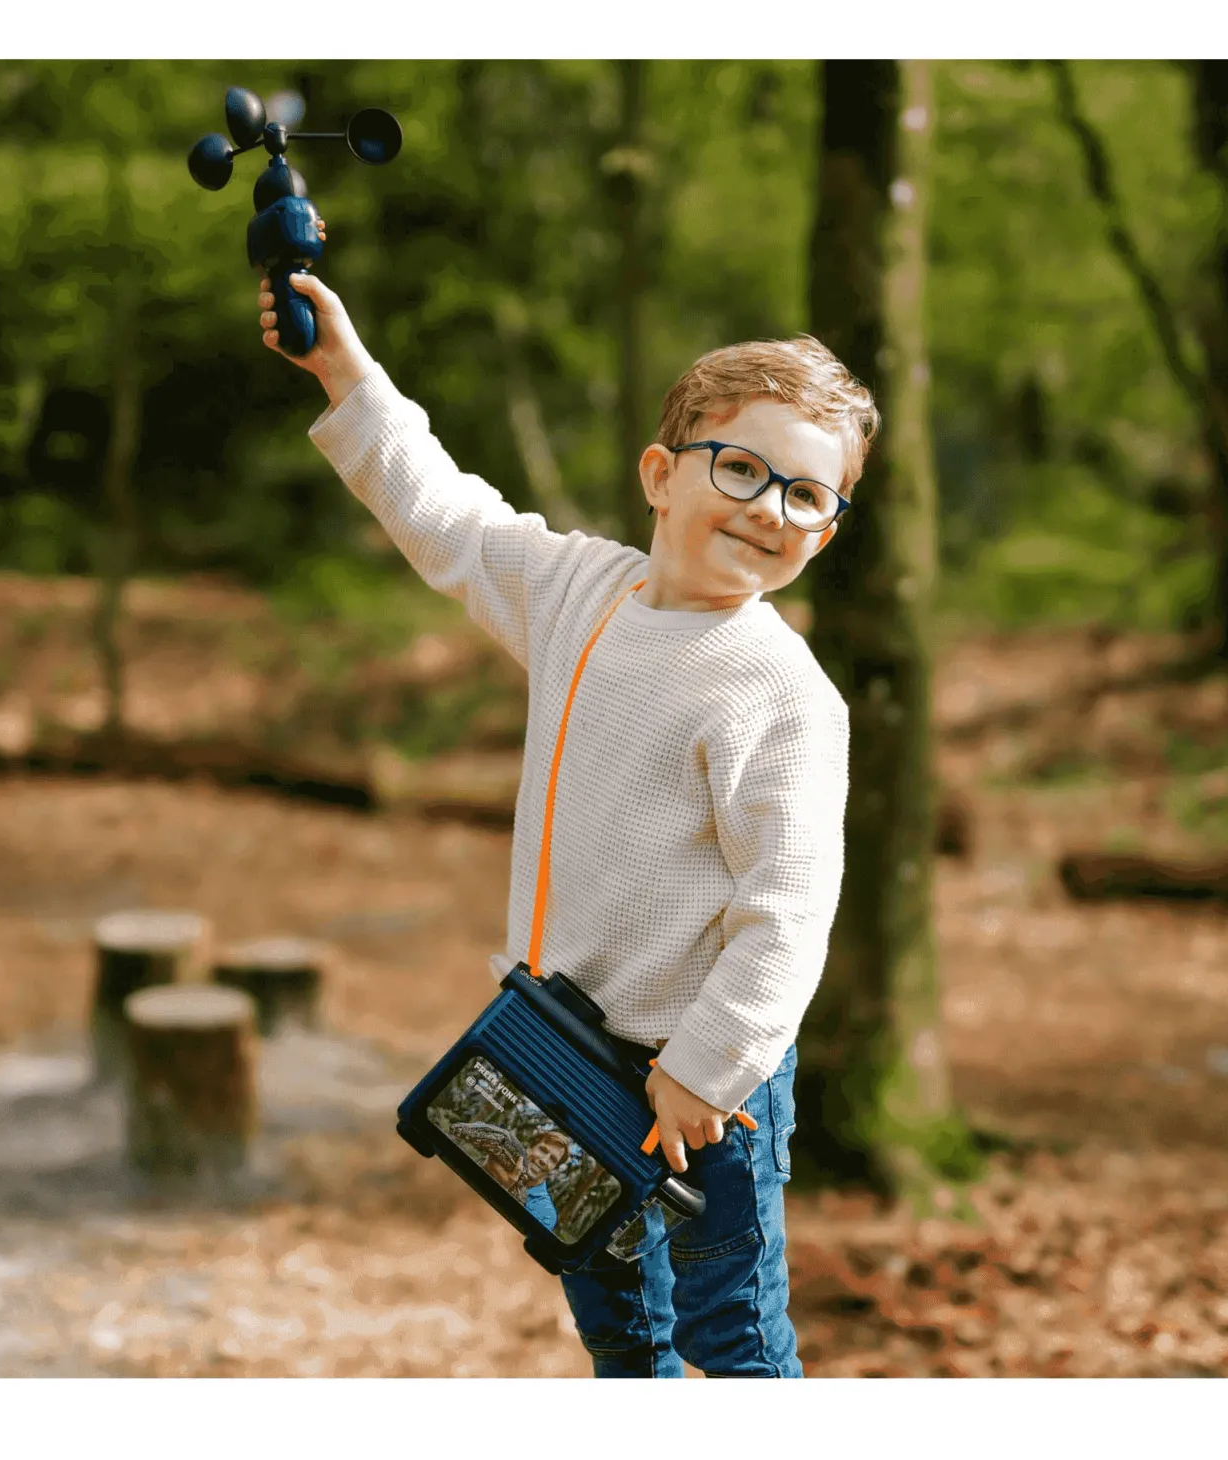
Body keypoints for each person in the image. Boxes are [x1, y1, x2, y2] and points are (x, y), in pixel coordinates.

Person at [257, 265, 878, 1378]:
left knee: (730, 1339)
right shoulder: (578, 594)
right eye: (742, 468)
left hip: (700, 1088)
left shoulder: (782, 693)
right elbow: (448, 517)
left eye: (805, 496)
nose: (767, 508)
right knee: (620, 1330)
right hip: (558, 1052)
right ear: (661, 475)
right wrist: (343, 373)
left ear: (823, 535)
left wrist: (705, 1070)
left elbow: (787, 913)